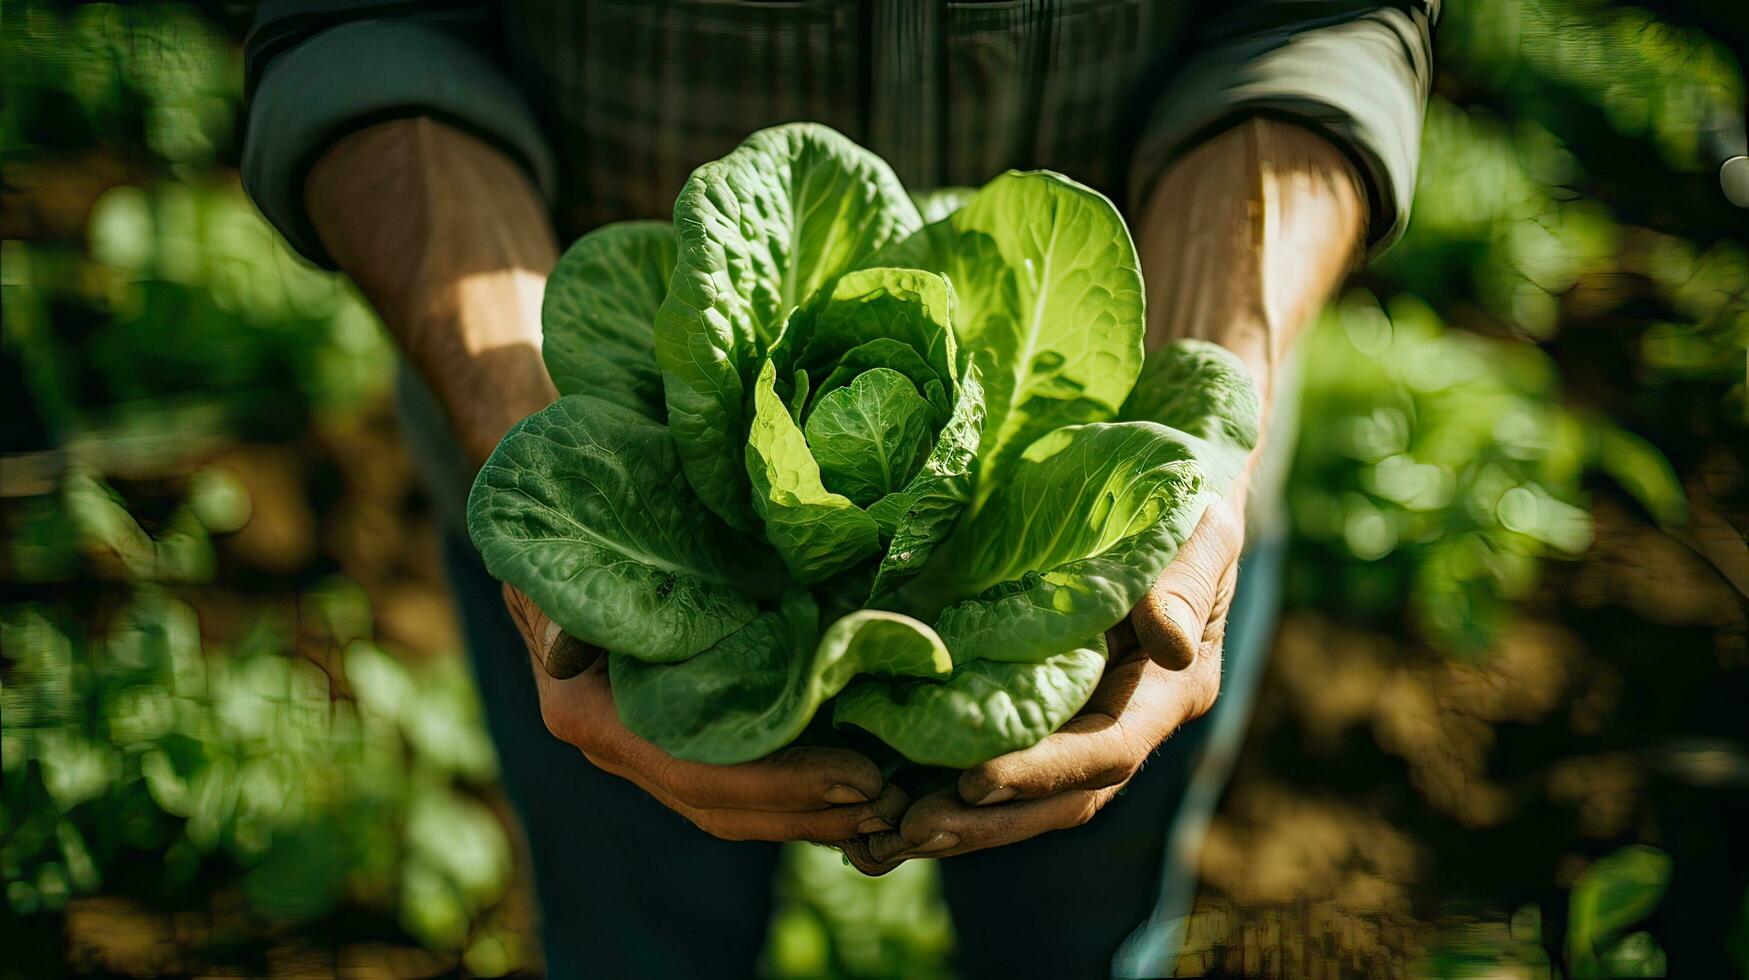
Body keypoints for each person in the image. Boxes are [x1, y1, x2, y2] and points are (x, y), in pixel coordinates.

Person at [242, 2, 1436, 976]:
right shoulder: (636, 462)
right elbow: (362, 22)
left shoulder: (1104, 496)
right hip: (604, 516)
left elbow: (1317, 21)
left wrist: (1213, 400)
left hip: (1119, 580)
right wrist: (513, 408)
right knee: (636, 942)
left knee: (1081, 938)